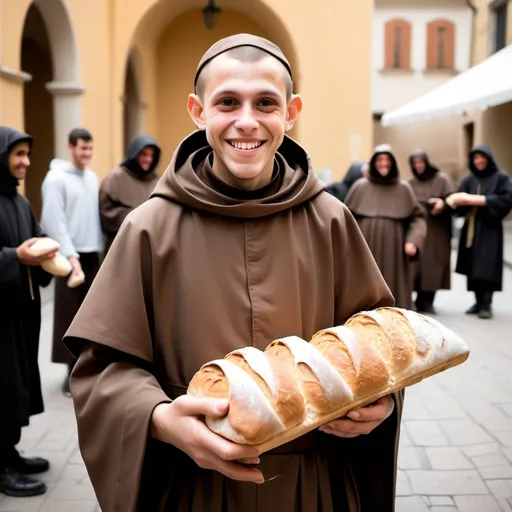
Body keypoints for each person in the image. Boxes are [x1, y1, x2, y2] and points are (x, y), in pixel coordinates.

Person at [64, 34, 404, 512]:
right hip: (193, 486)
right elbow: (103, 371)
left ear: (291, 111)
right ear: (198, 111)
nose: (247, 121)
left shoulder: (331, 220)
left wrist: (382, 402)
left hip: (312, 487)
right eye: (227, 102)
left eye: (266, 102)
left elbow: (380, 347)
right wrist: (160, 418)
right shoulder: (149, 227)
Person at [0, 127, 55, 497]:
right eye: (17, 154)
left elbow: (37, 239)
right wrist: (16, 257)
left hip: (20, 314)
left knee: (16, 385)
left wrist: (54, 257)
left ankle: (9, 451)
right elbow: (20, 252)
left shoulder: (21, 203)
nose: (25, 162)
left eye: (27, 154)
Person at [40, 128, 103, 396]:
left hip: (92, 253)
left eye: (90, 149)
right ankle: (69, 373)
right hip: (68, 257)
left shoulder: (91, 177)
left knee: (91, 316)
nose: (87, 154)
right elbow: (55, 221)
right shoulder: (55, 180)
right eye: (82, 149)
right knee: (69, 317)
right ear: (70, 148)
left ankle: (87, 368)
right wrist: (71, 257)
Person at [345, 144, 427, 309]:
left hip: (394, 253)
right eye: (380, 160)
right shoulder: (361, 186)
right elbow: (345, 218)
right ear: (374, 163)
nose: (384, 164)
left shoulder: (403, 188)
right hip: (364, 251)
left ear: (394, 163)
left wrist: (413, 241)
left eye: (387, 160)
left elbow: (418, 218)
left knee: (392, 292)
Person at [446, 144, 512, 319]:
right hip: (472, 228)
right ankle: (477, 301)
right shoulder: (469, 179)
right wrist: (455, 202)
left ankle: (486, 303)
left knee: (487, 266)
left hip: (490, 228)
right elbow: (460, 205)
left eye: (482, 157)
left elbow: (506, 199)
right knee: (473, 265)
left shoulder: (500, 178)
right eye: (475, 158)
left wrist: (479, 200)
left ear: (488, 159)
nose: (479, 161)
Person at [408, 150, 456, 314]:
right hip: (417, 228)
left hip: (437, 229)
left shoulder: (442, 179)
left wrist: (442, 204)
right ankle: (416, 300)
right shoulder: (410, 183)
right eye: (415, 164)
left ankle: (428, 301)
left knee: (433, 265)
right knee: (416, 266)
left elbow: (453, 201)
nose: (418, 166)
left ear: (427, 163)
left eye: (421, 162)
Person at [99, 134, 161, 254]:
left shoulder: (156, 181)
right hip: (120, 245)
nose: (148, 159)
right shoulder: (115, 178)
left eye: (151, 155)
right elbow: (106, 213)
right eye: (144, 154)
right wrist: (137, 218)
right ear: (134, 154)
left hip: (148, 246)